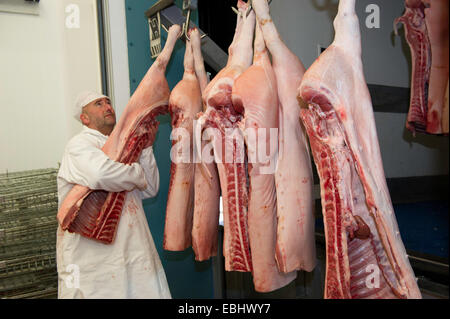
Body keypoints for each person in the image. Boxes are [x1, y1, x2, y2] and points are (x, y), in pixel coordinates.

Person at [56, 90, 171, 299]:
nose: (107, 107)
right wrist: (136, 173)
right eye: (98, 104)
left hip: (132, 252)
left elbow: (150, 188)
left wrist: (145, 149)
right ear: (84, 118)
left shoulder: (125, 145)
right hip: (93, 259)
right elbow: (101, 174)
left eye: (108, 102)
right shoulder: (79, 145)